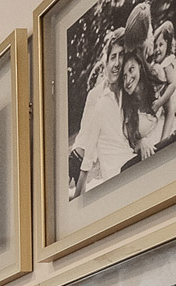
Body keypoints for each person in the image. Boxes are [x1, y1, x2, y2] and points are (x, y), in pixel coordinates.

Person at [69, 32, 133, 196]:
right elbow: (88, 141)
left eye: (121, 56)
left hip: (95, 159)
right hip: (78, 157)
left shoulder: (126, 93)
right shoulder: (98, 98)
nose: (117, 63)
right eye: (113, 57)